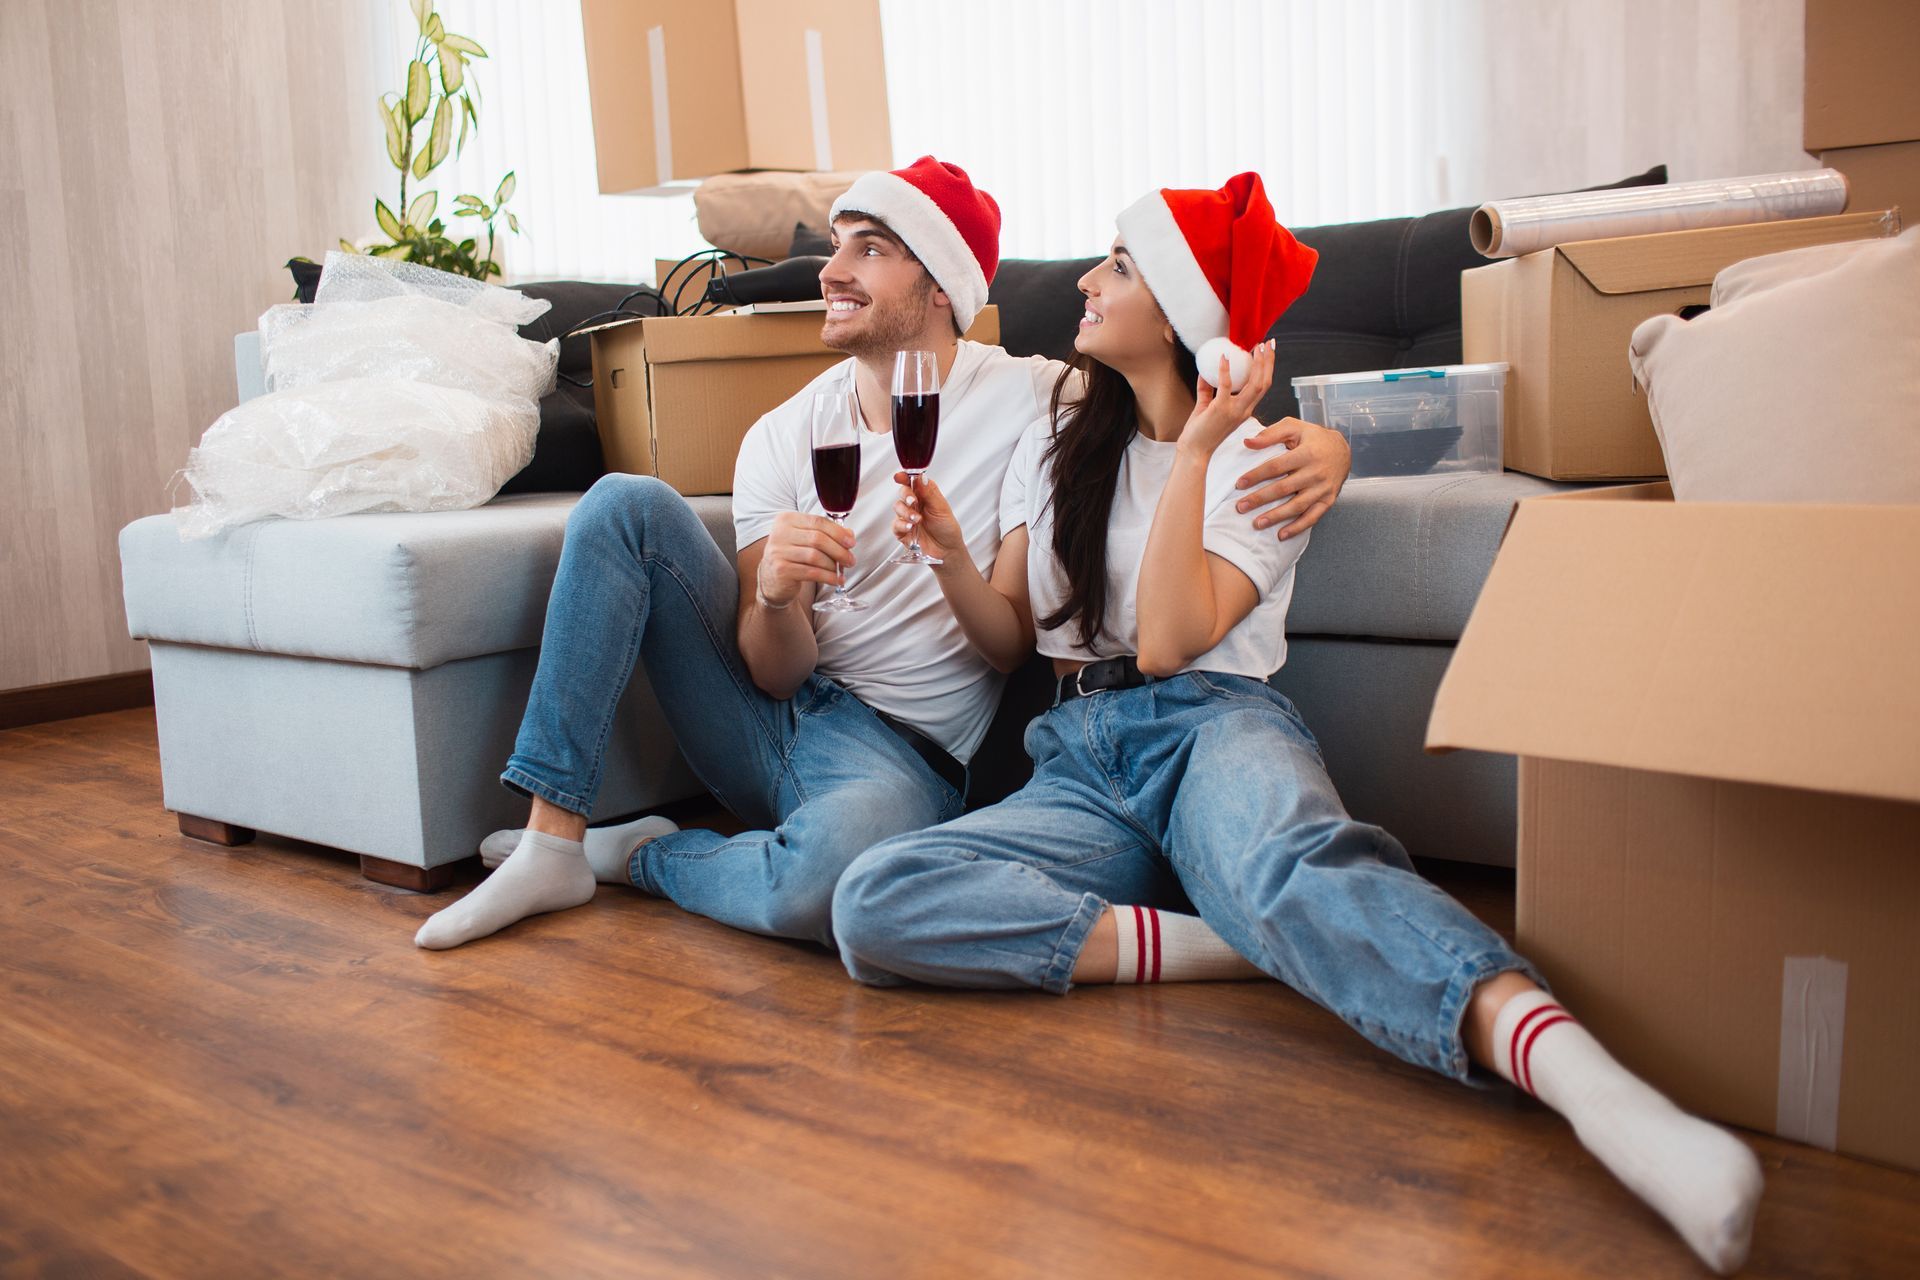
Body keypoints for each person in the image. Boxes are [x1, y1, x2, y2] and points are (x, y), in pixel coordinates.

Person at [829, 173, 1764, 1275]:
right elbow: (1013, 630)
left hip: (1213, 725)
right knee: (874, 901)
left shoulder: (1260, 462)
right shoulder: (1062, 438)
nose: (1085, 280)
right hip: (1078, 758)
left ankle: (1590, 1088)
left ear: (1181, 314)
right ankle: (1245, 937)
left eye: (1119, 266)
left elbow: (1174, 642)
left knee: (1299, 860)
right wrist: (944, 551)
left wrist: (1198, 453)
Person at [413, 157, 1354, 952]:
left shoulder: (1046, 397)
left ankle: (648, 856)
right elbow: (771, 676)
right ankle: (551, 839)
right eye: (835, 247)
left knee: (820, 890)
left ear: (940, 286)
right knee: (624, 505)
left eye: (871, 249)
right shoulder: (784, 435)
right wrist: (777, 600)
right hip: (764, 716)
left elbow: (1182, 395)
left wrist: (1326, 443)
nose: (833, 271)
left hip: (895, 754)